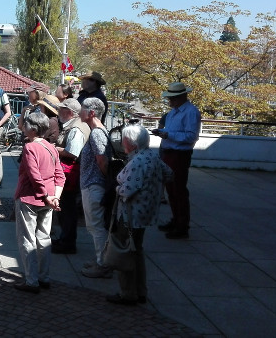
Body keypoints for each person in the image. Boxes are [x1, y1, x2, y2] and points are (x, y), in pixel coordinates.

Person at [106, 125, 172, 305]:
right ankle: (140, 291)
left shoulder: (138, 161)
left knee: (125, 254)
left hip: (130, 215)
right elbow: (169, 173)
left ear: (132, 143)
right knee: (136, 252)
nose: (121, 142)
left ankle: (128, 294)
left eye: (124, 139)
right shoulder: (151, 156)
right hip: (144, 214)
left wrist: (117, 187)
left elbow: (127, 190)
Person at [14, 111, 65, 293]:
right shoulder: (51, 147)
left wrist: (45, 195)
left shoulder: (29, 147)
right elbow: (60, 175)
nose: (23, 126)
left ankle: (32, 280)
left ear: (33, 129)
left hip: (30, 198)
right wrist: (54, 197)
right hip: (49, 200)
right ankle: (44, 277)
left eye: (26, 124)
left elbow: (34, 175)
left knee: (27, 240)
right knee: (44, 239)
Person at [152, 82, 201, 239]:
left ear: (180, 97)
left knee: (178, 189)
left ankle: (182, 225)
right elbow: (173, 131)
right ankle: (176, 220)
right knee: (171, 189)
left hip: (180, 155)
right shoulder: (174, 112)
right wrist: (163, 132)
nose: (169, 101)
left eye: (172, 98)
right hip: (169, 152)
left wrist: (168, 135)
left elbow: (191, 137)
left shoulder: (191, 112)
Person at [78, 97, 114, 279]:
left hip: (94, 186)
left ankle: (103, 265)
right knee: (95, 227)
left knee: (96, 227)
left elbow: (102, 160)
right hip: (93, 185)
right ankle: (101, 260)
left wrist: (104, 181)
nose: (79, 111)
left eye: (82, 108)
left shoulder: (96, 133)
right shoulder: (97, 131)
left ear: (91, 113)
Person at [51, 98, 91, 254]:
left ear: (69, 112)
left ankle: (67, 242)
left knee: (67, 208)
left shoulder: (75, 129)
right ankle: (65, 239)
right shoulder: (75, 126)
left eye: (61, 109)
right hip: (72, 173)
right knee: (67, 208)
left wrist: (55, 148)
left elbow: (72, 153)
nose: (58, 112)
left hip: (71, 174)